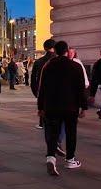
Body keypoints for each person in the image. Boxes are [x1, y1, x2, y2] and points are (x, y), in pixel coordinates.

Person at [37, 41, 87, 176]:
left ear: (55, 51)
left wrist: (40, 106)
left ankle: (51, 158)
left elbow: (42, 88)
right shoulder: (76, 66)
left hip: (52, 105)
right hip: (71, 106)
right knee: (71, 132)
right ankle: (70, 159)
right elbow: (81, 88)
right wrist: (84, 106)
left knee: (52, 132)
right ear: (66, 51)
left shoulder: (48, 66)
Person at [31, 39, 56, 129]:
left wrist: (35, 91)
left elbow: (33, 78)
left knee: (43, 105)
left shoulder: (38, 62)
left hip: (43, 89)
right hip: (57, 90)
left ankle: (42, 123)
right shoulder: (59, 60)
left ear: (45, 48)